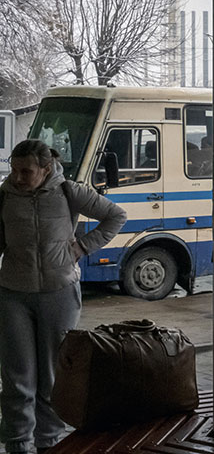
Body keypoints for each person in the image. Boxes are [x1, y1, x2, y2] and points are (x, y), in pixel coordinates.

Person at [0, 139, 127, 454]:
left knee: (53, 374)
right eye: (14, 170)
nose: (17, 177)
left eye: (25, 171)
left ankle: (49, 442)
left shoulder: (69, 191)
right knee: (17, 374)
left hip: (59, 292)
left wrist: (82, 246)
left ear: (45, 169)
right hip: (13, 293)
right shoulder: (4, 195)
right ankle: (18, 443)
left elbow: (116, 216)